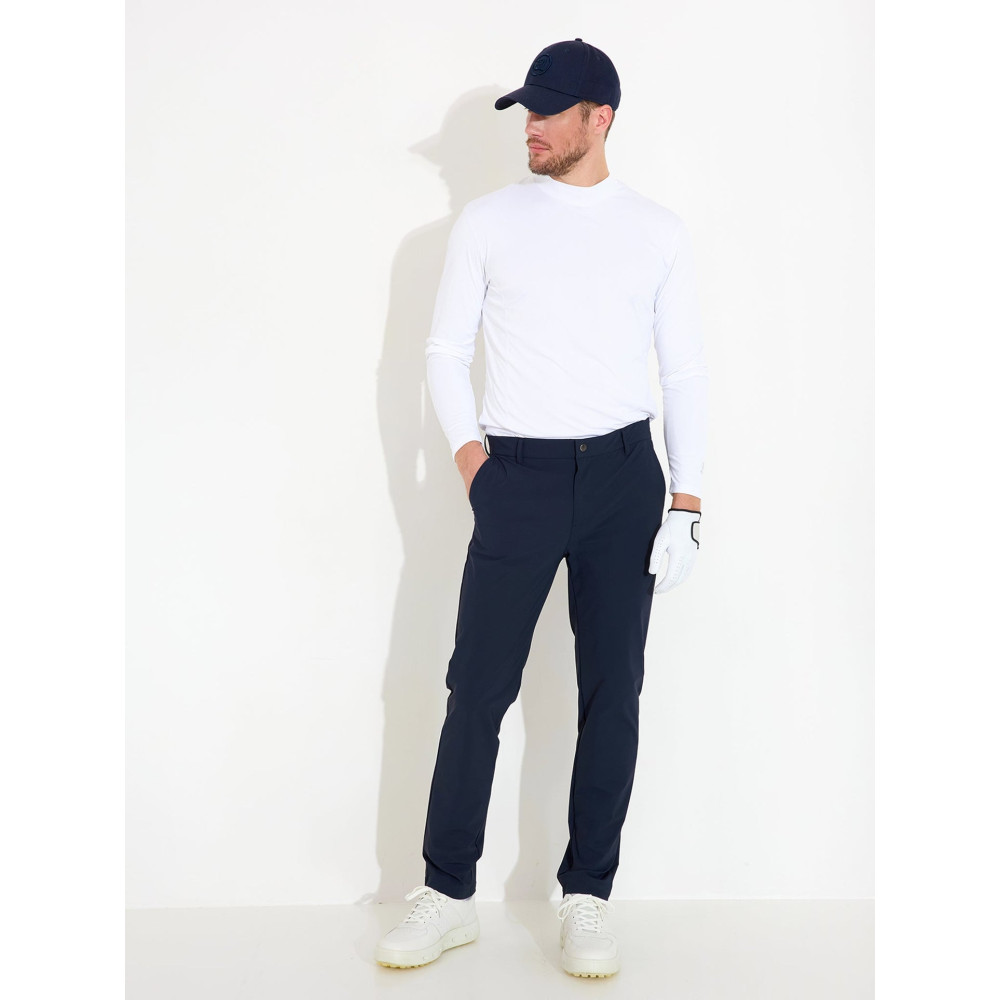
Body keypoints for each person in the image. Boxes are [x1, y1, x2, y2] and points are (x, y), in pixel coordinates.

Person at [375, 37, 708, 978]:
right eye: (529, 108)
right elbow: (443, 352)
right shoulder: (488, 223)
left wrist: (685, 499)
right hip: (514, 474)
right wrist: (474, 463)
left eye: (551, 110)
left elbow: (683, 371)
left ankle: (587, 895)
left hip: (623, 479)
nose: (533, 124)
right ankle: (447, 894)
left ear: (600, 119)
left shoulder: (656, 231)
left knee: (613, 691)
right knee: (476, 688)